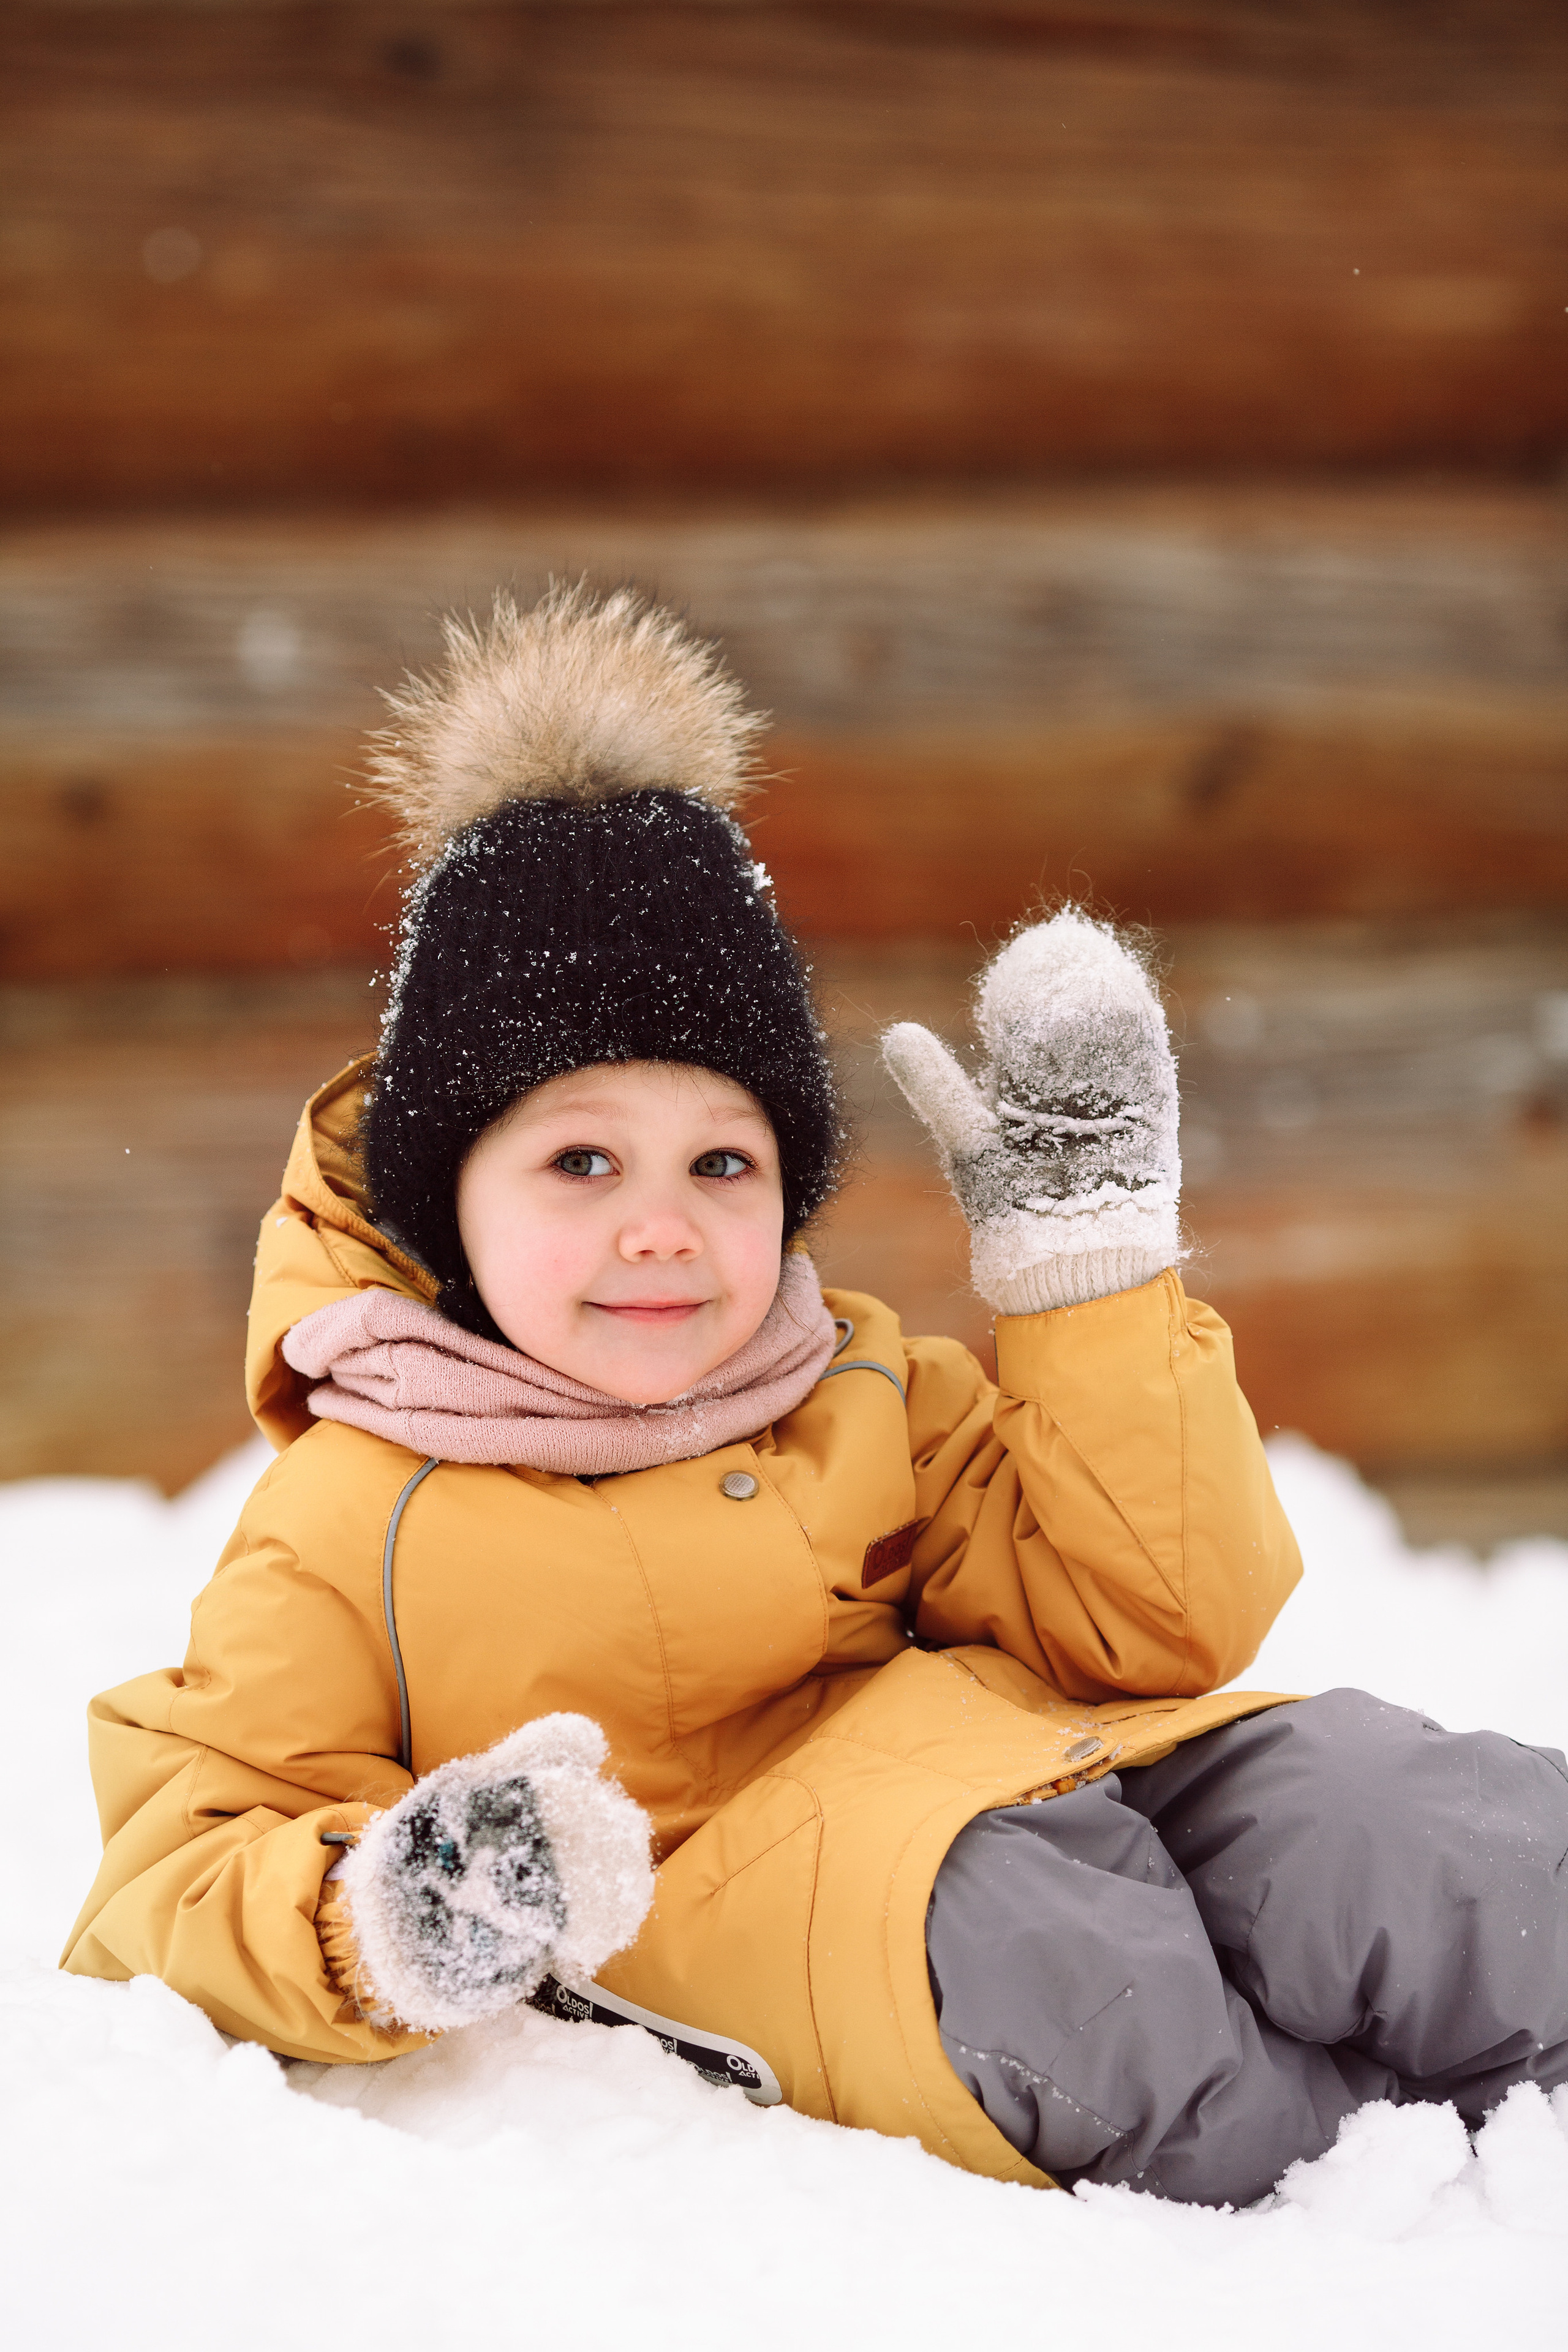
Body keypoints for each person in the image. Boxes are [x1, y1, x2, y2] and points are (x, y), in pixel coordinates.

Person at [63, 583, 1568, 2206]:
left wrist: (1093, 1283)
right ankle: (1393, 2205)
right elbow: (178, 1863)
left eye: (725, 1160)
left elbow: (1156, 1624)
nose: (661, 1224)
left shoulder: (858, 1385)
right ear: (448, 1205)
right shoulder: (356, 1513)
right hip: (842, 1923)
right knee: (1075, 1959)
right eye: (580, 1159)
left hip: (1043, 1780)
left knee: (1398, 1820)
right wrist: (394, 1908)